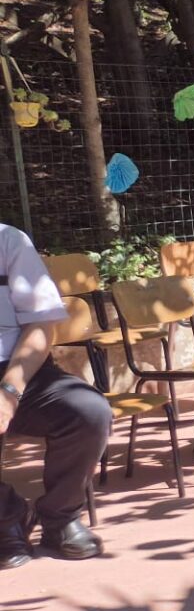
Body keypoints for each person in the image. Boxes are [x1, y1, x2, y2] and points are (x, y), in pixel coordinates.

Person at [0, 222, 110, 564]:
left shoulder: (8, 241)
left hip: (19, 371)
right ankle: (8, 516)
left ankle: (60, 518)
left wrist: (9, 389)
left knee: (88, 411)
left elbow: (41, 325)